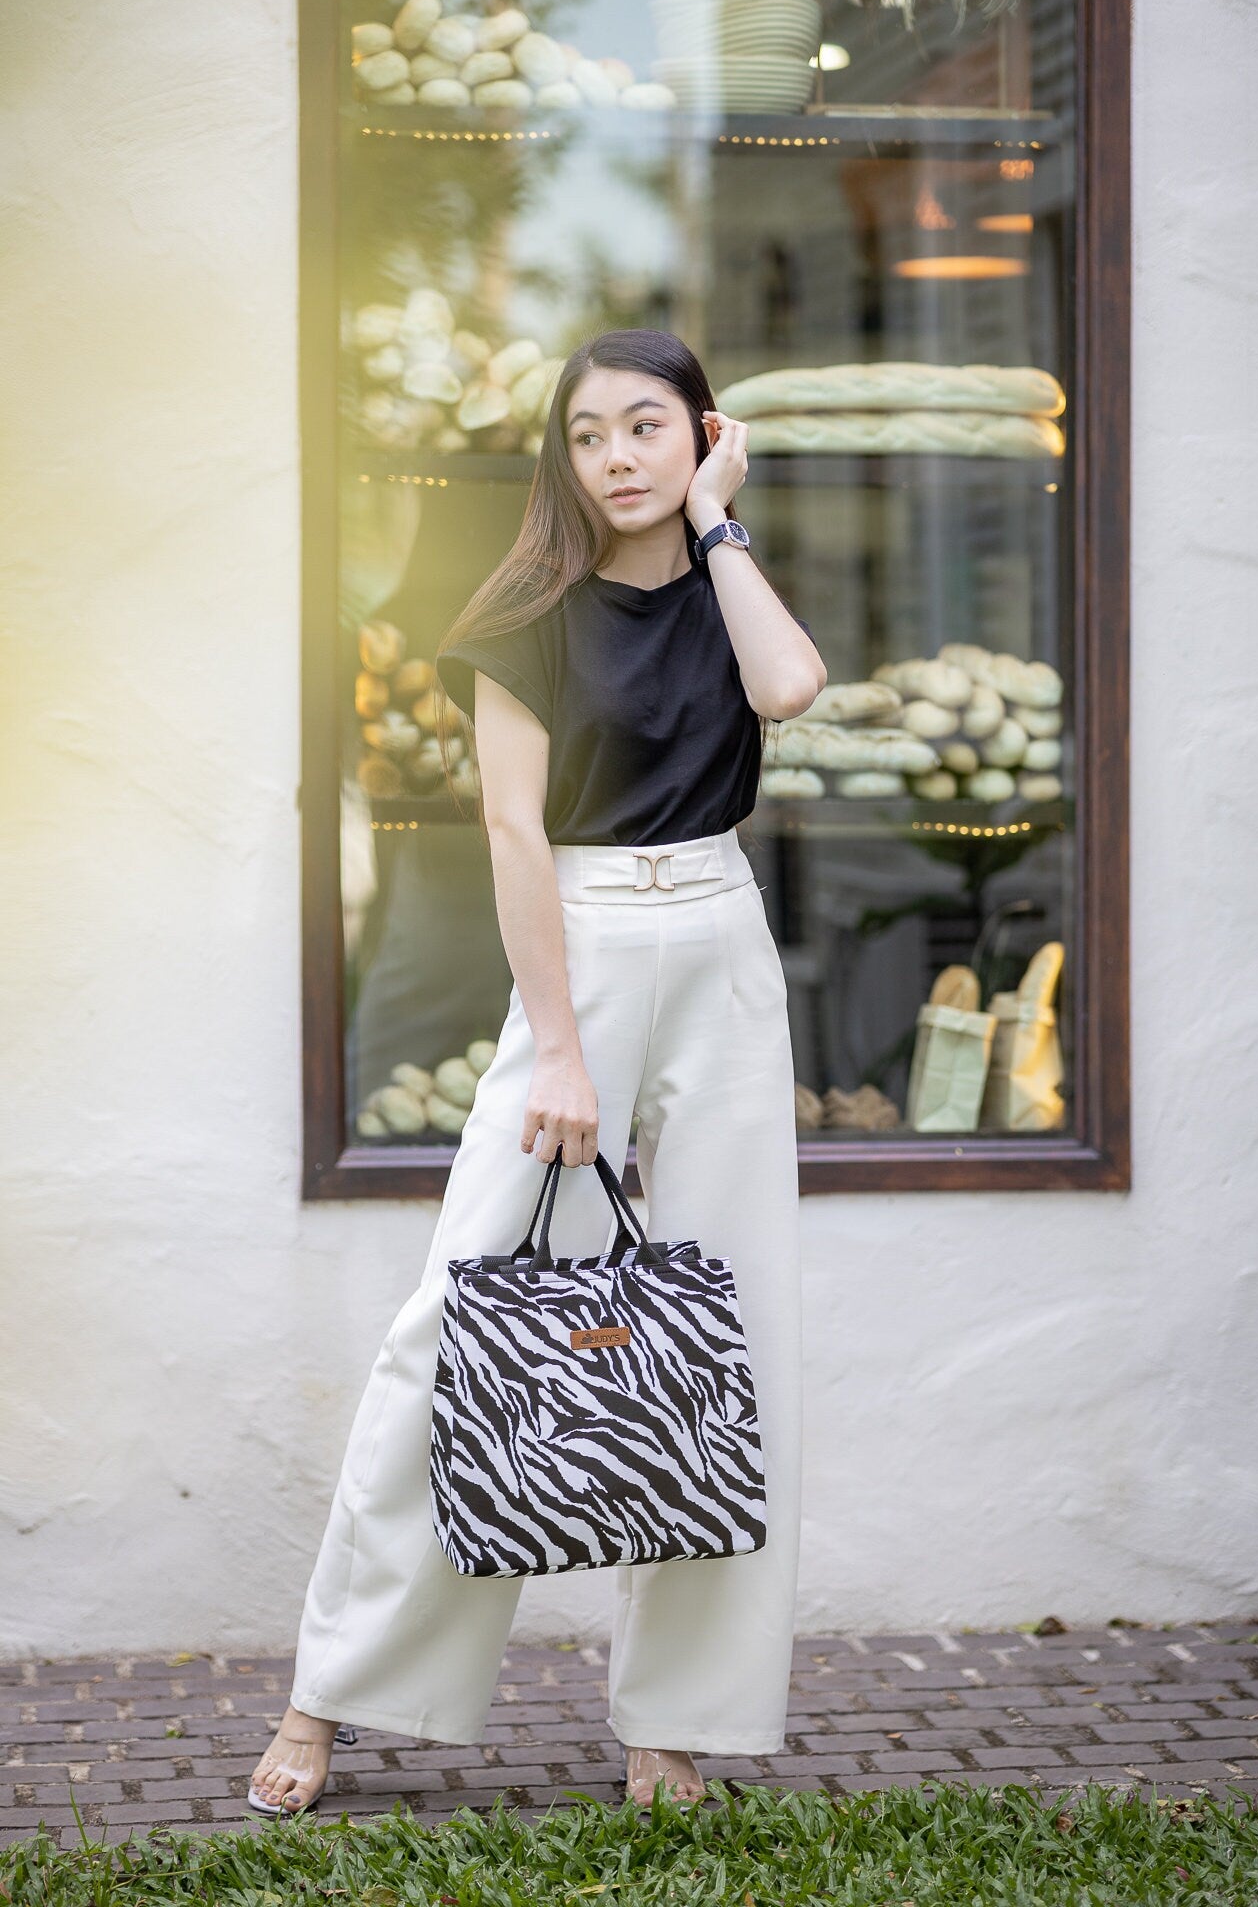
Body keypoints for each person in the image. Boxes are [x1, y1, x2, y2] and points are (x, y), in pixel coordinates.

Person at [249, 328, 826, 1818]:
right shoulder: (525, 612)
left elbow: (790, 687)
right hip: (579, 939)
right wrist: (558, 1044)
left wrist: (721, 521)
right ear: (557, 460)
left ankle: (675, 1725)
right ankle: (336, 1691)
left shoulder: (722, 581)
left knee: (724, 1337)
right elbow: (511, 833)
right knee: (457, 1318)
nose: (617, 457)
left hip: (718, 937)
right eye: (588, 435)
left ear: (702, 435)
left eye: (648, 427)